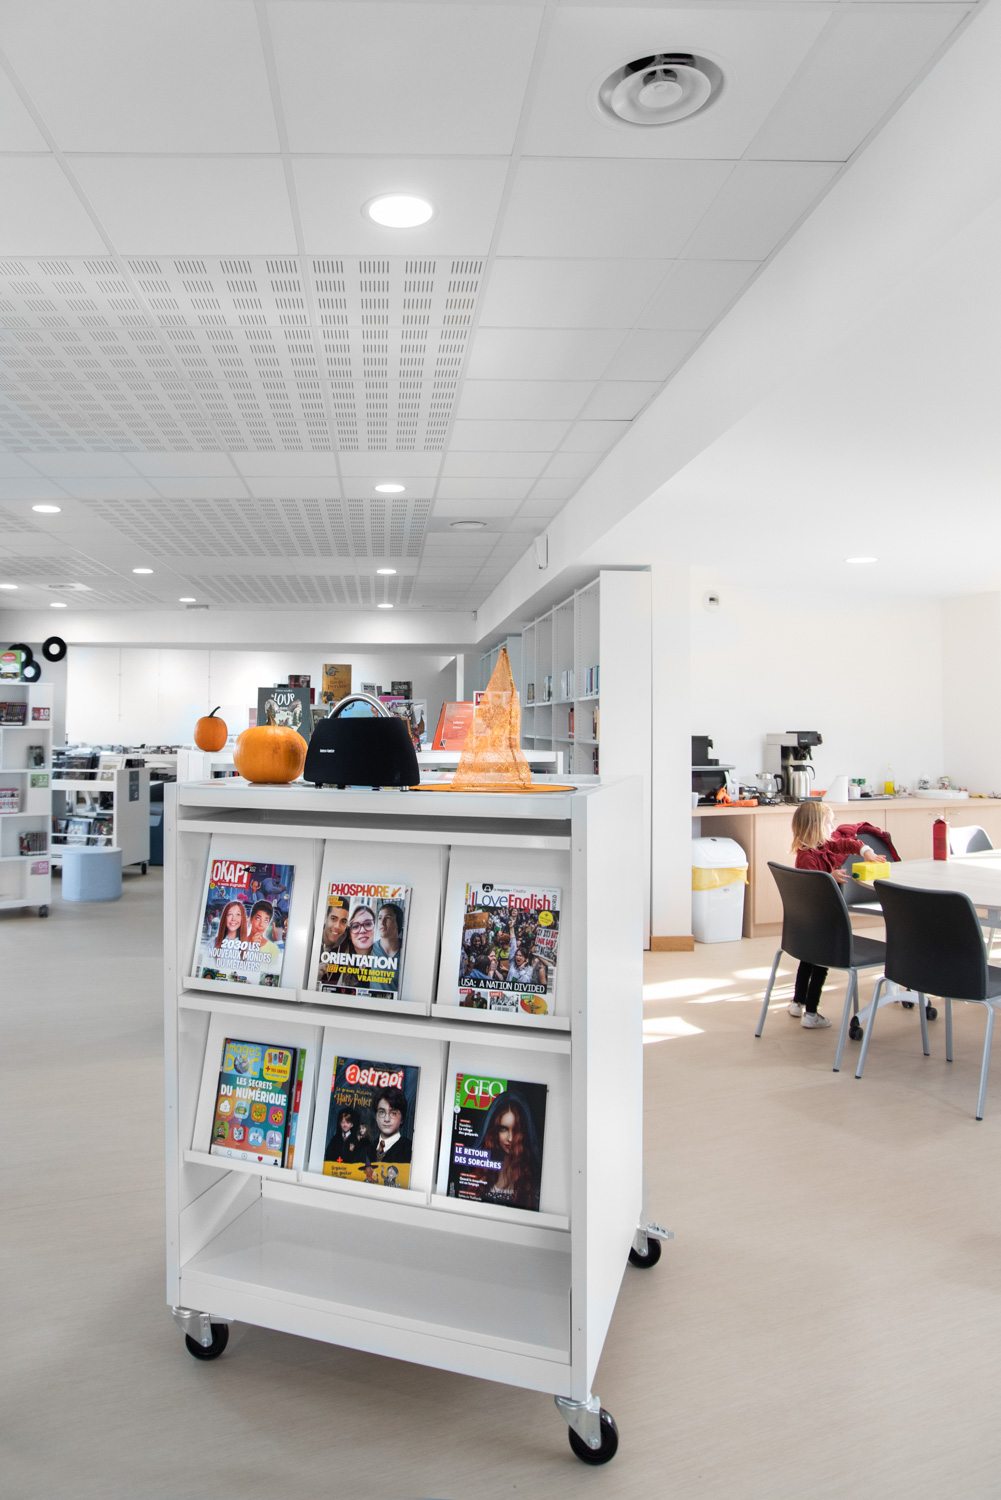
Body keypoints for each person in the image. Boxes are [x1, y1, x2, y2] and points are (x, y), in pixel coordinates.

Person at [788, 801, 887, 1029]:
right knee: (820, 965)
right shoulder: (807, 857)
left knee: (808, 960)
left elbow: (847, 843)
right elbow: (812, 887)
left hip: (811, 923)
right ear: (816, 827)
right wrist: (829, 877)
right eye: (828, 824)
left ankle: (797, 1002)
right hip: (819, 921)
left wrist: (866, 851)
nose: (832, 828)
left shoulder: (821, 846)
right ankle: (811, 1013)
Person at [476, 1092, 542, 1211]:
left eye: (516, 1130)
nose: (510, 1138)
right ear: (494, 1131)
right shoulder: (479, 1172)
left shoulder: (534, 1180)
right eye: (503, 1129)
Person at [373, 1086, 412, 1164]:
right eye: (382, 1112)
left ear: (402, 1119)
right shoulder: (365, 1150)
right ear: (376, 1117)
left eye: (393, 1113)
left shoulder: (410, 1150)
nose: (386, 1119)